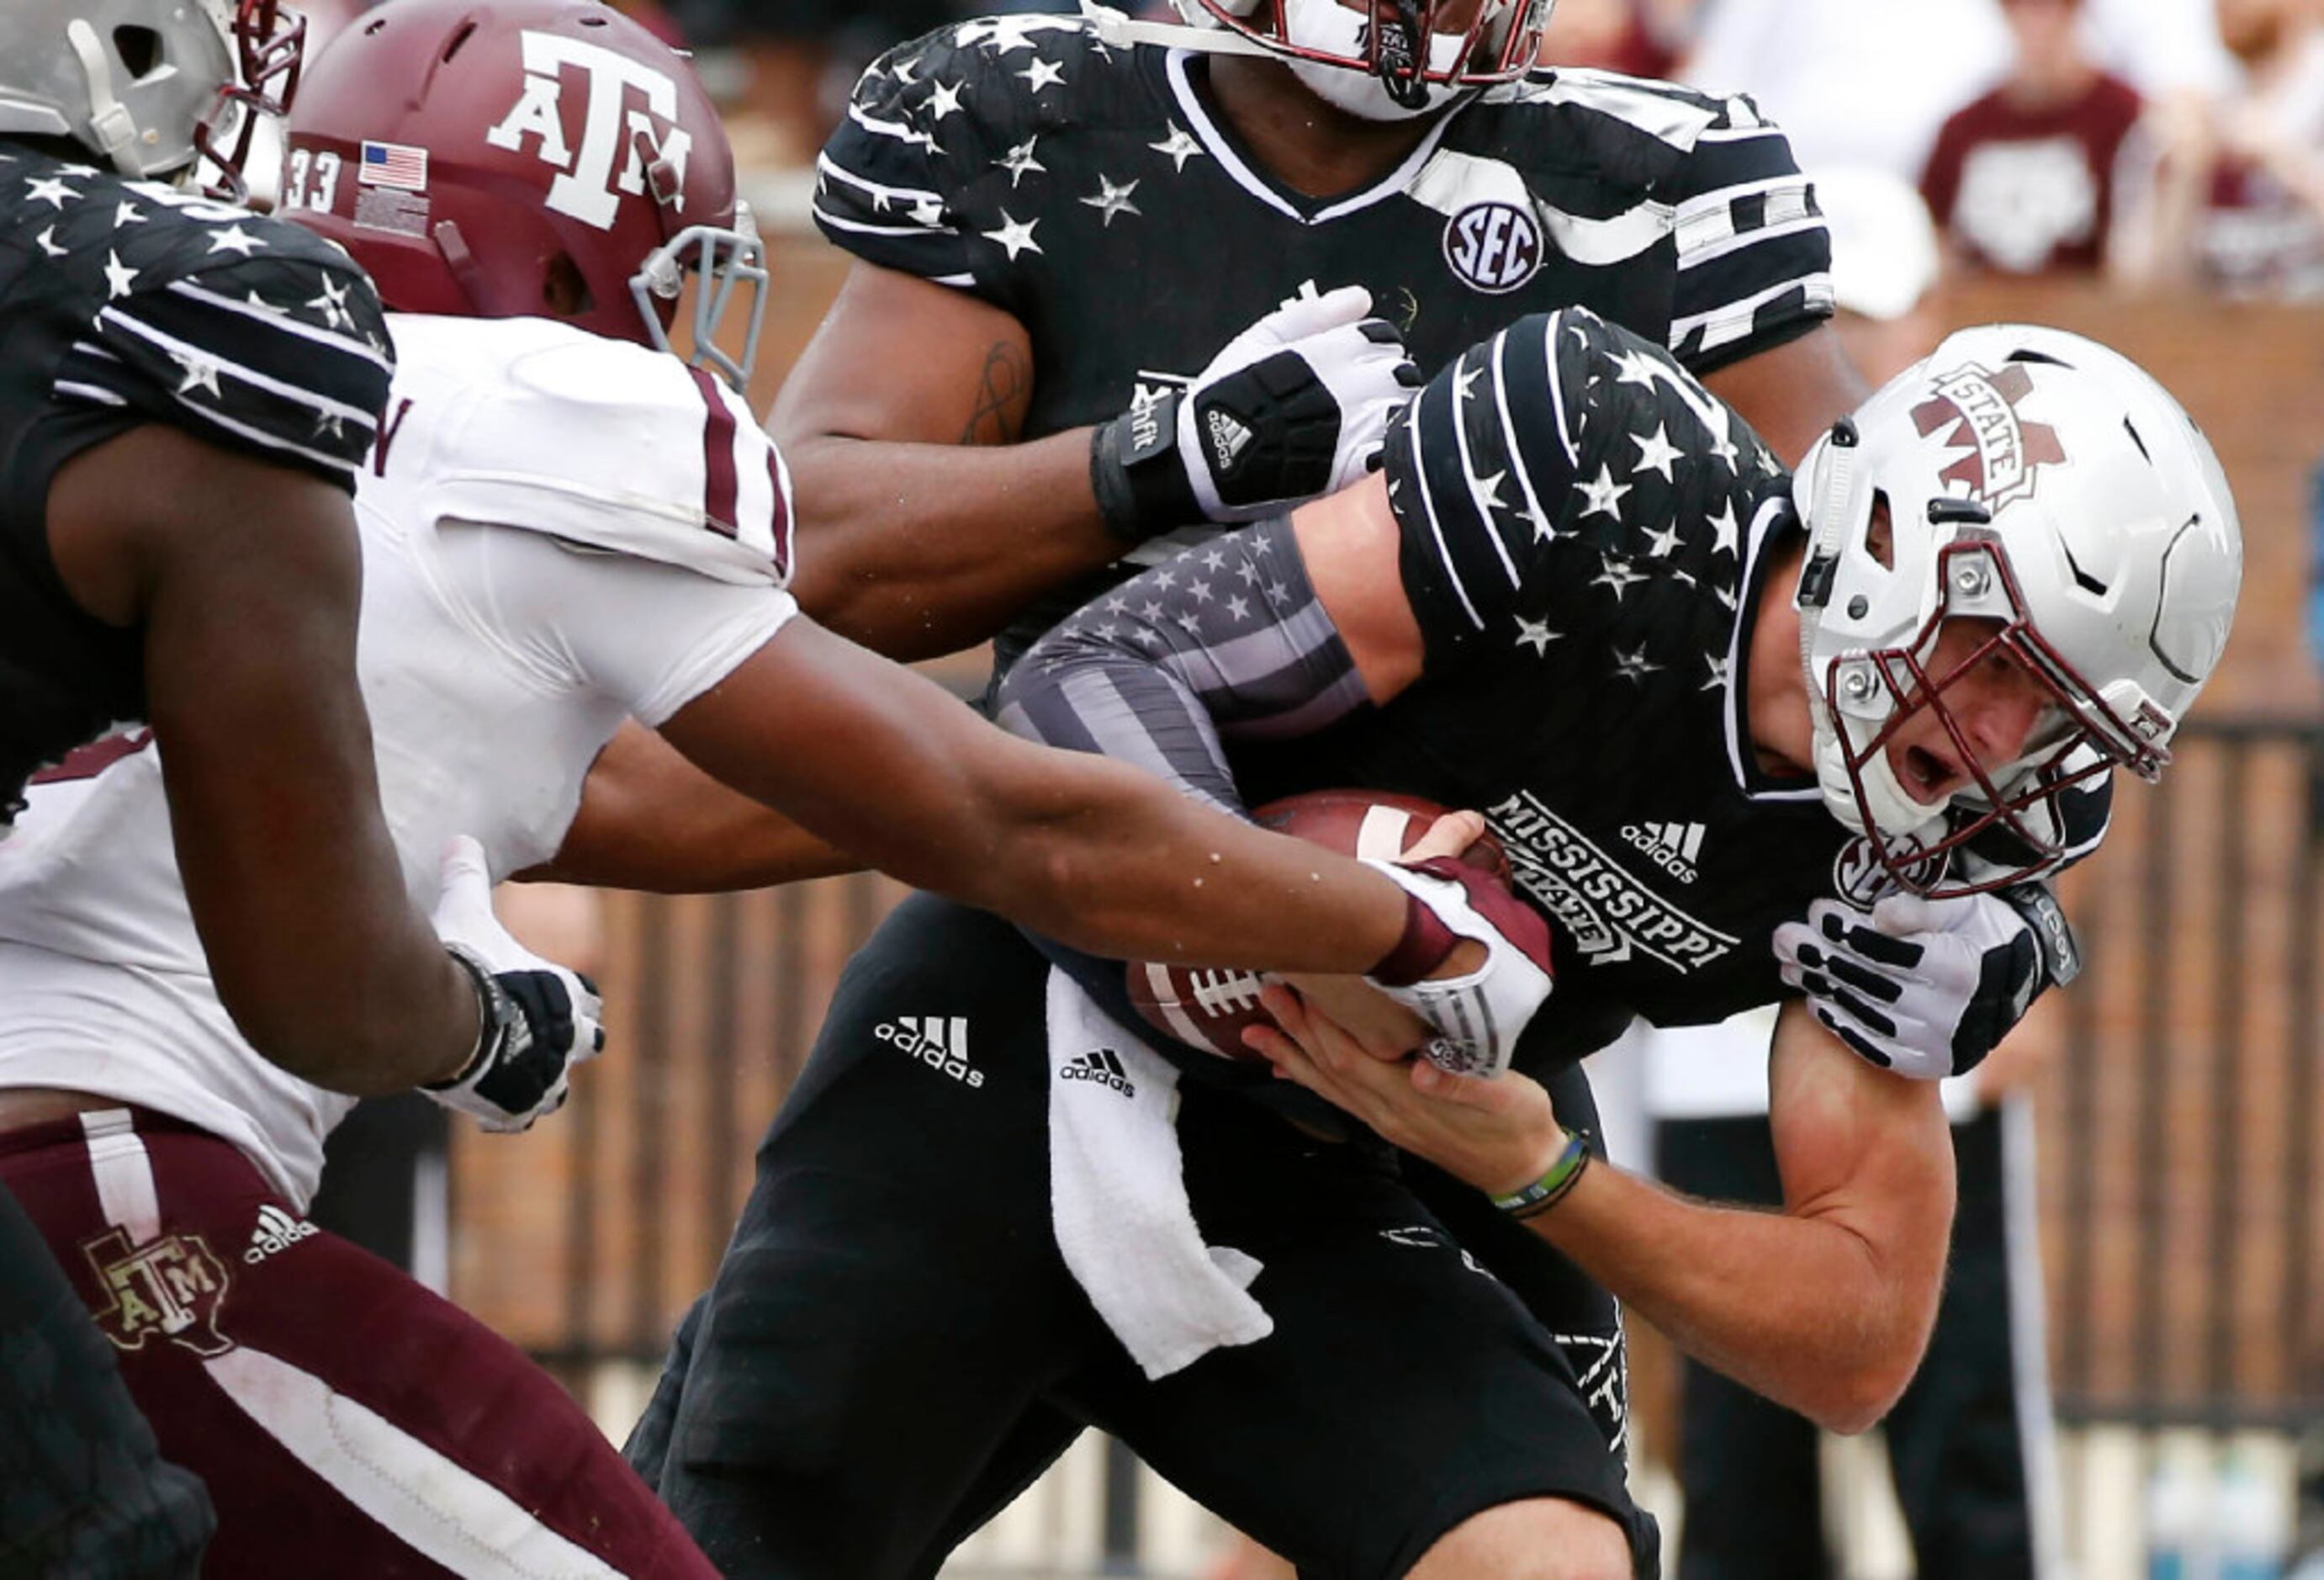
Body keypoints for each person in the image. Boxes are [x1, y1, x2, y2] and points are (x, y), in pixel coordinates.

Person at [0, 2, 1561, 1567]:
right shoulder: (550, 423)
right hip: (106, 1166)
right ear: (553, 265)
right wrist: (1402, 922)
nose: (685, 329)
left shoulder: (176, 396)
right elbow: (1009, 821)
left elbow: (618, 789)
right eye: (675, 277)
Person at [615, 4, 1868, 1569]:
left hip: (1422, 1053)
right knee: (715, 1539)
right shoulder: (1042, 116)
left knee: (1541, 1554)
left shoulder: (1640, 188)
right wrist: (1162, 460)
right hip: (1043, 993)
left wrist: (1954, 882)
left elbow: (1859, 619)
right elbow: (810, 555)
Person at [0, 1, 593, 1568]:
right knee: (104, 1535)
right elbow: (315, 980)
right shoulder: (190, 320)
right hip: (129, 1141)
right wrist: (491, 1024)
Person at [1919, 0, 2150, 275]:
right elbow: (1934, 235)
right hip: (1984, 308)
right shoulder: (1964, 128)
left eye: (2049, 8)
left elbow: (2138, 252)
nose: (2037, 23)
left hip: (2084, 310)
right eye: (2020, 7)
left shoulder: (2123, 115)